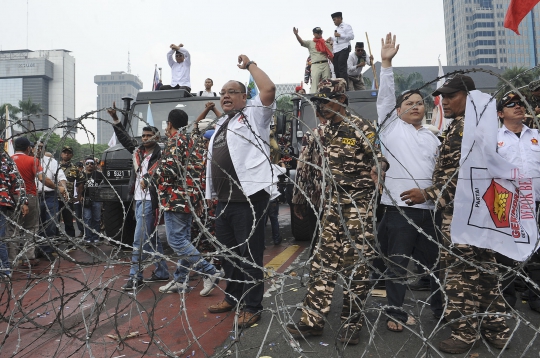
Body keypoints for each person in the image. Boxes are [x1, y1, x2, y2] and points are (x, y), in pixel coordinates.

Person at [400, 75, 510, 353]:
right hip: (477, 212)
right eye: (442, 97)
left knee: (461, 275)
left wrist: (429, 194)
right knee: (485, 272)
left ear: (469, 97)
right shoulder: (469, 125)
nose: (444, 102)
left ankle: (465, 333)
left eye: (450, 96)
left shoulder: (466, 129)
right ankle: (496, 329)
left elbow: (464, 175)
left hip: (462, 214)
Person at [286, 78, 388, 345]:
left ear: (341, 100)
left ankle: (352, 325)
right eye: (317, 102)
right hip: (332, 206)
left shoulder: (360, 127)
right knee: (323, 264)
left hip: (357, 207)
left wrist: (379, 168)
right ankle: (312, 321)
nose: (319, 107)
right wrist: (299, 196)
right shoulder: (325, 130)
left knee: (357, 267)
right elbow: (307, 161)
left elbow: (379, 156)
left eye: (324, 101)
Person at [376, 33, 442, 332]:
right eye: (409, 103)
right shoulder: (391, 129)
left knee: (437, 267)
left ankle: (443, 313)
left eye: (419, 103)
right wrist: (387, 64)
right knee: (397, 267)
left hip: (430, 210)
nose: (416, 106)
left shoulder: (431, 135)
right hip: (398, 211)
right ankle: (395, 313)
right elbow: (386, 98)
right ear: (399, 109)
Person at [205, 54, 276, 328]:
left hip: (248, 198)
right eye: (222, 93)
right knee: (228, 254)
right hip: (223, 201)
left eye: (231, 92)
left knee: (249, 255)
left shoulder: (254, 115)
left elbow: (268, 90)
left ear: (245, 97)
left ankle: (252, 305)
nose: (225, 96)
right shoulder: (223, 123)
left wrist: (250, 65)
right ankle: (233, 297)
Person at [144, 108, 222, 296]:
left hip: (176, 199)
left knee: (176, 240)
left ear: (169, 124)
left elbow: (170, 170)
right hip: (189, 197)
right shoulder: (191, 140)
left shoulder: (175, 141)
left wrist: (148, 179)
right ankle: (180, 280)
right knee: (185, 240)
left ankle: (209, 272)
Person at [107, 103, 170, 290]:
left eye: (149, 136)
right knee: (150, 238)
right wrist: (116, 119)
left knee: (138, 239)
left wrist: (149, 179)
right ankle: (161, 271)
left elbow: (161, 172)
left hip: (151, 200)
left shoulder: (162, 154)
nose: (145, 138)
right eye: (143, 136)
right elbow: (124, 139)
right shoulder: (138, 152)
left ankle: (135, 276)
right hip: (139, 199)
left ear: (157, 137)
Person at [495, 91, 540, 313]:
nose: (518, 107)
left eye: (520, 103)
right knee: (506, 253)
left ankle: (536, 297)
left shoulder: (537, 136)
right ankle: (506, 299)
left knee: (537, 251)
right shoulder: (495, 139)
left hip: (536, 202)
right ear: (501, 113)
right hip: (507, 202)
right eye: (511, 104)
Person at [7, 137, 55, 266]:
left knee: (13, 229)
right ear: (28, 148)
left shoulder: (8, 160)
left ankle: (12, 260)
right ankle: (28, 258)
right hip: (30, 196)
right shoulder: (33, 160)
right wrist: (56, 187)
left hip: (11, 197)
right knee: (31, 227)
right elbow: (41, 178)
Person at [0, 141, 28, 277]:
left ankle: (5, 269)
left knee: (0, 237)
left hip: (1, 203)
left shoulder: (6, 161)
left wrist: (23, 201)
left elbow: (17, 182)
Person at [35, 141, 68, 260]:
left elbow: (61, 177)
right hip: (35, 196)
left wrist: (63, 189)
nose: (39, 150)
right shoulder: (31, 161)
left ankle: (47, 250)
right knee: (36, 224)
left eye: (41, 148)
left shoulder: (51, 162)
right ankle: (37, 249)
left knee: (51, 223)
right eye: (37, 147)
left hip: (50, 195)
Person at [293, 27, 333, 93]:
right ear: (314, 34)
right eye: (318, 33)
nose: (319, 34)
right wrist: (296, 35)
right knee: (315, 83)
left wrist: (331, 42)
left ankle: (327, 97)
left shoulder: (325, 43)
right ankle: (313, 98)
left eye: (320, 32)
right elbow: (302, 42)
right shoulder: (310, 43)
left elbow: (333, 49)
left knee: (327, 82)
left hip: (325, 63)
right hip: (315, 64)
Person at [58, 146, 85, 239]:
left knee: (68, 221)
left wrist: (78, 196)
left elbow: (81, 181)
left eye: (68, 153)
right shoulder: (56, 167)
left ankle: (71, 241)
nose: (66, 154)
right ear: (61, 154)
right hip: (55, 197)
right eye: (64, 152)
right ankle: (55, 241)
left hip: (68, 198)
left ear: (72, 155)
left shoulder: (75, 168)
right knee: (55, 221)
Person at [81, 157, 104, 244]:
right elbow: (78, 187)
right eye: (87, 163)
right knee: (87, 218)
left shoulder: (99, 174)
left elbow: (103, 185)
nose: (89, 165)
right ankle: (88, 237)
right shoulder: (82, 175)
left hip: (97, 199)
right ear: (85, 165)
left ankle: (96, 237)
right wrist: (80, 196)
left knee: (97, 219)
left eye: (91, 163)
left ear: (94, 165)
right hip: (86, 199)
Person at [329, 12, 354, 88]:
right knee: (336, 68)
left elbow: (351, 36)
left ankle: (345, 87)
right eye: (333, 20)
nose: (334, 22)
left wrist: (340, 35)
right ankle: (339, 86)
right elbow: (337, 39)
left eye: (335, 19)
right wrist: (331, 38)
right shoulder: (337, 29)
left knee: (342, 67)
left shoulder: (347, 26)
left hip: (344, 48)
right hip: (336, 50)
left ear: (339, 18)